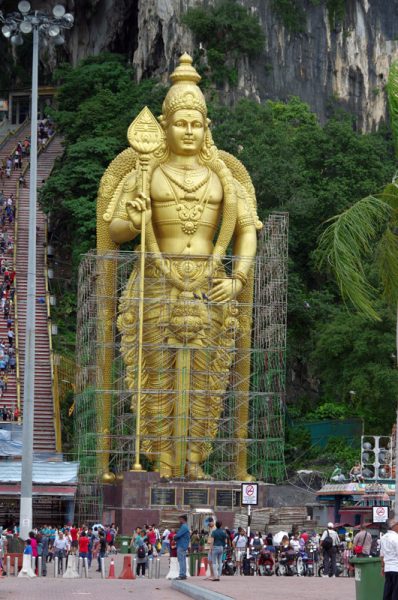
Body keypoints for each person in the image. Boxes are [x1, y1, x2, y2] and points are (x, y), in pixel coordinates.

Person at [381, 518, 398, 599]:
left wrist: (382, 567)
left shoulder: (383, 538)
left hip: (388, 568)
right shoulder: (396, 537)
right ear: (394, 526)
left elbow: (382, 554)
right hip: (396, 567)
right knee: (396, 592)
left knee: (388, 591)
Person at [174, 515, 190, 580]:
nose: (179, 521)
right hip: (184, 545)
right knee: (183, 560)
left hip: (181, 545)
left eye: (180, 519)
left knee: (181, 560)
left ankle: (182, 574)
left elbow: (177, 536)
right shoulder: (186, 527)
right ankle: (183, 574)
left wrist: (174, 537)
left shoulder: (184, 527)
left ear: (183, 519)